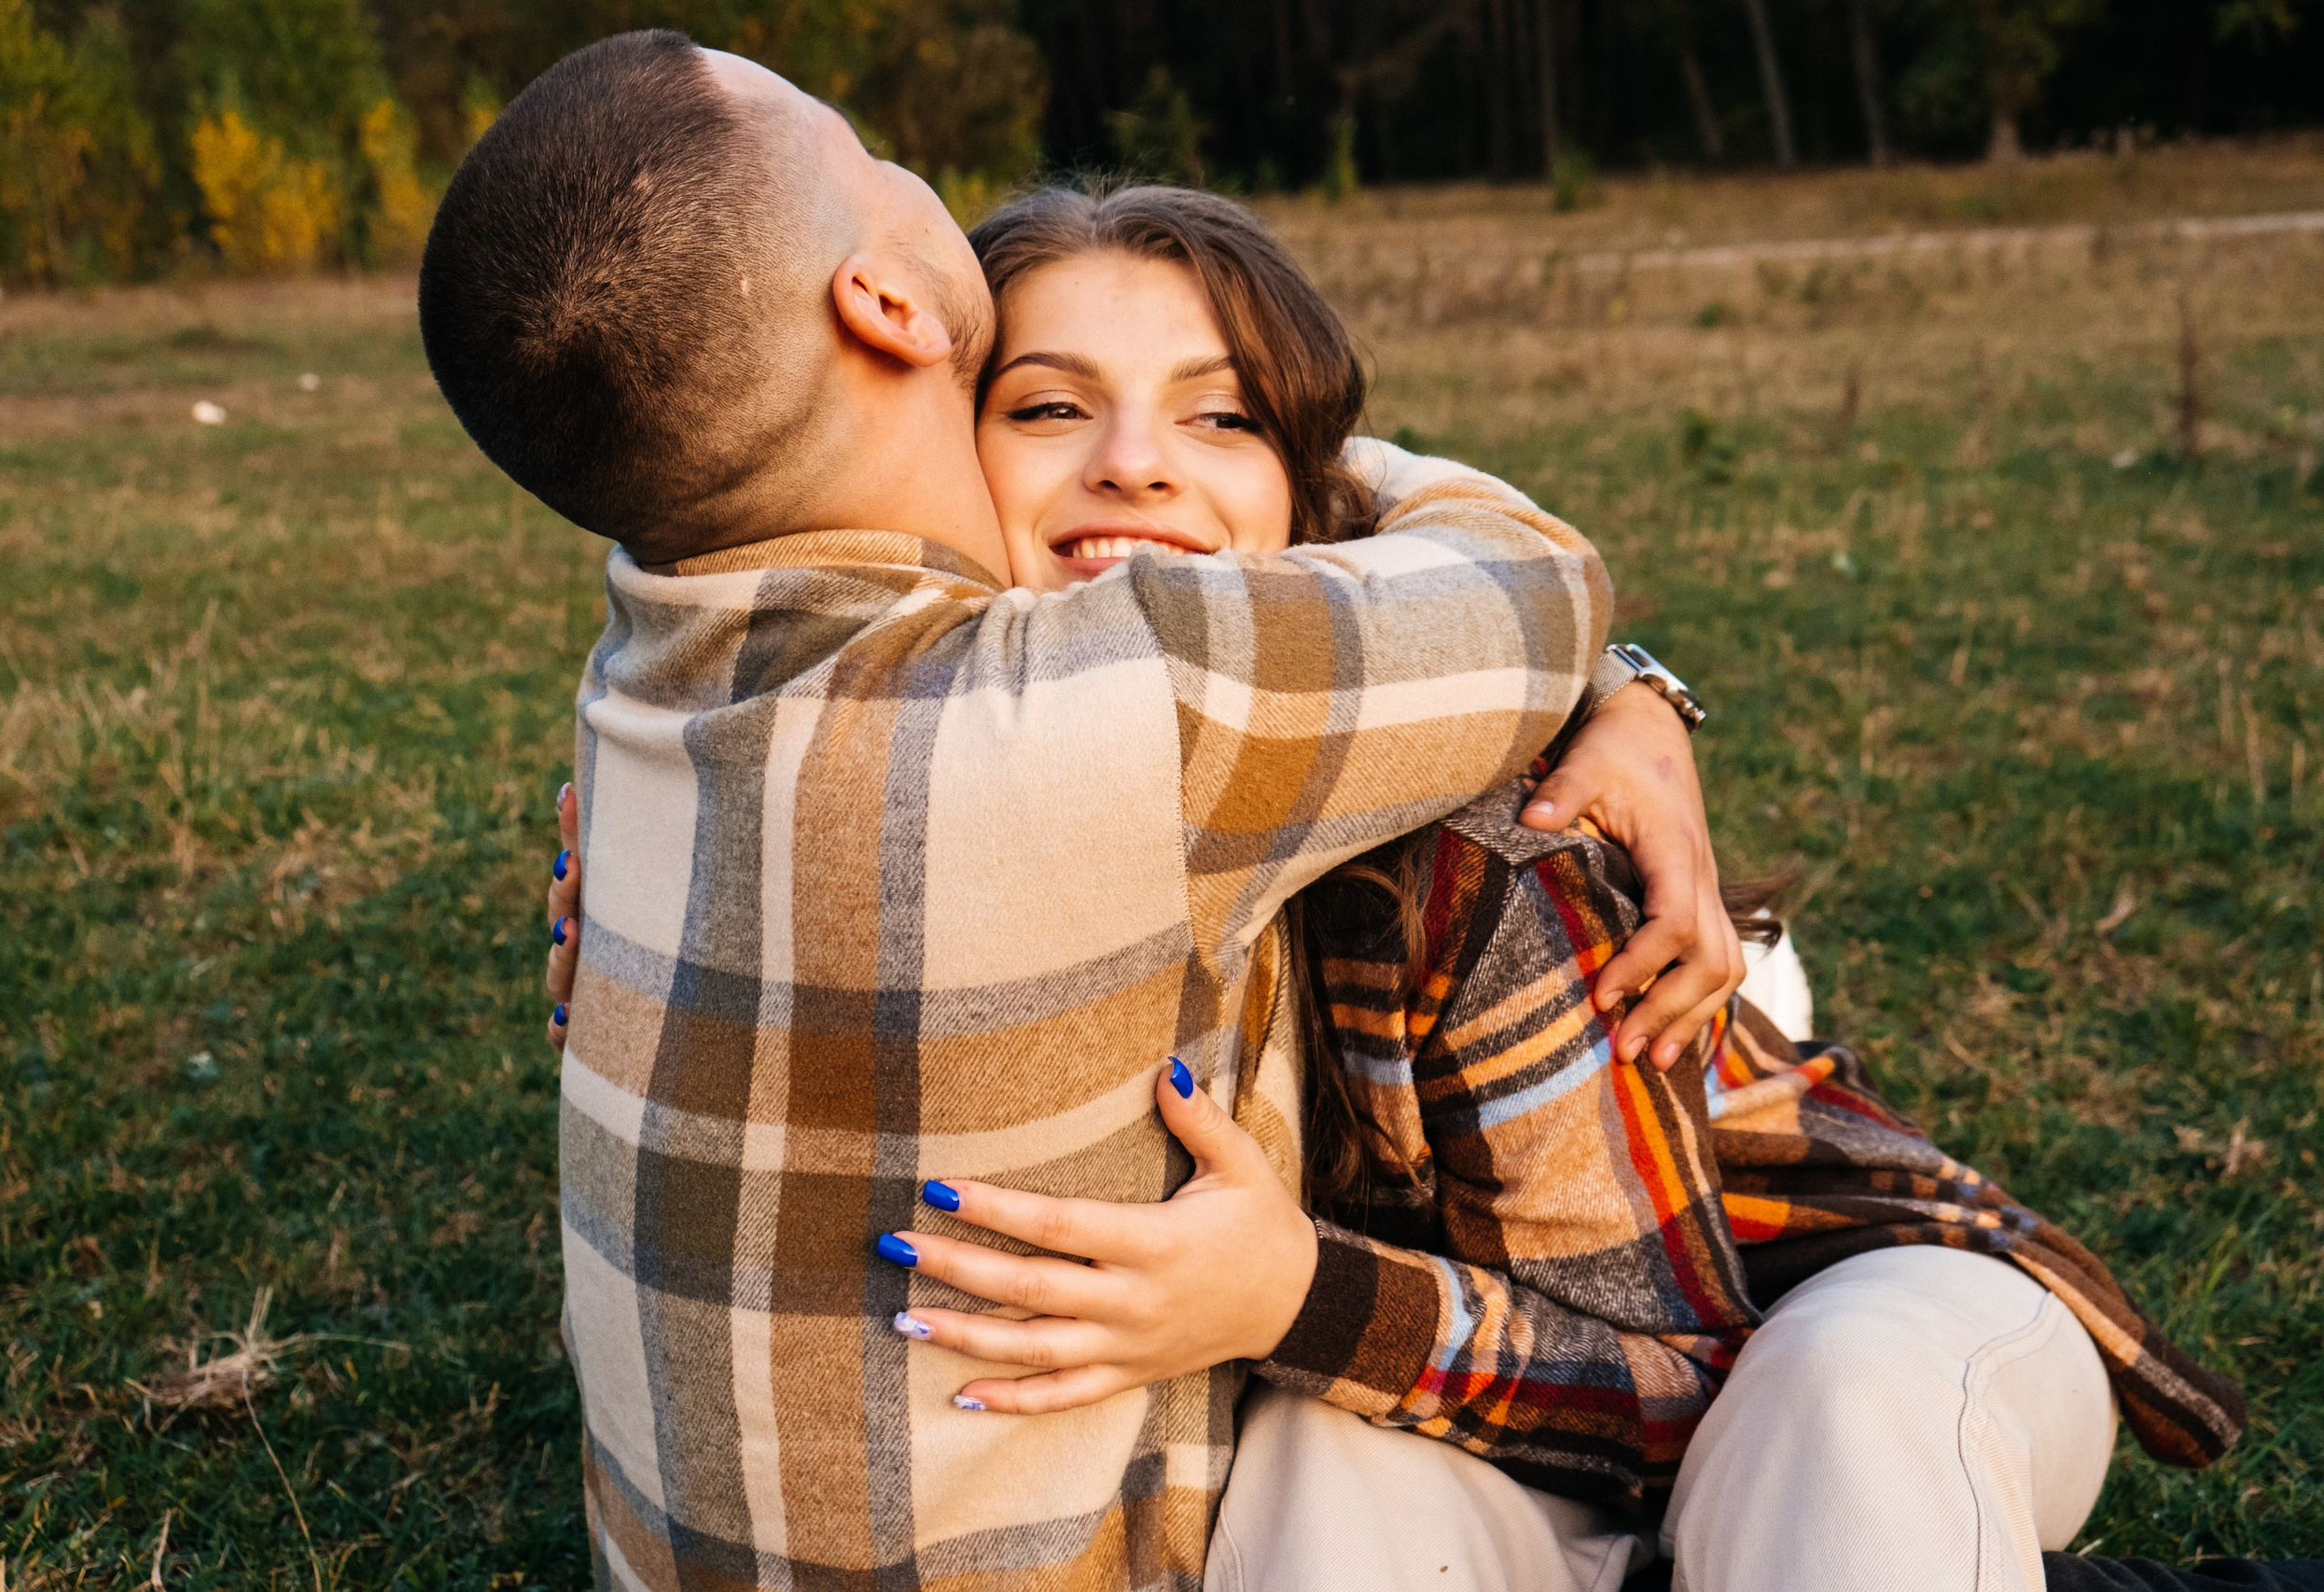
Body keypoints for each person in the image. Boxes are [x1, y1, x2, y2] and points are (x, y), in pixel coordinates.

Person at [532, 176, 2257, 1592]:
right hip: (1419, 1373)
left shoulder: (1465, 845)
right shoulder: (862, 788)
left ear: (1312, 508)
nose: (1133, 462)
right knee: (1312, 1490)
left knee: (1835, 1423)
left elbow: (1679, 1370)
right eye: (1048, 404)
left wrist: (1295, 1295)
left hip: (1794, 1297)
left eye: (1222, 418)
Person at [424, 31, 1739, 1592]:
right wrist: (1279, 459)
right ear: (893, 303)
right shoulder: (1137, 696)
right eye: (865, 153)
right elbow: (1534, 581)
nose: (1135, 467)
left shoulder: (635, 688)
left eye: (1216, 415)